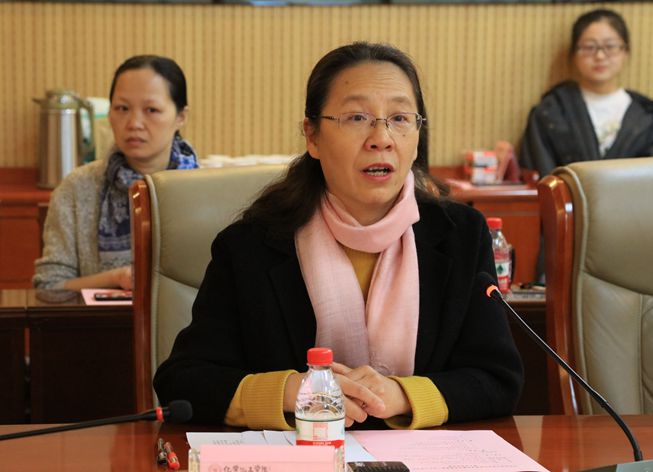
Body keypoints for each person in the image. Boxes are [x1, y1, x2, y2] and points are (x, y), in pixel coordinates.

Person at [154, 42, 523, 430]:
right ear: (312, 136)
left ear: (417, 137)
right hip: (299, 454)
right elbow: (184, 381)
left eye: (399, 118)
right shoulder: (251, 246)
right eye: (357, 117)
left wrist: (401, 395)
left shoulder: (461, 236)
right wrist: (291, 392)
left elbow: (498, 379)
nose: (381, 138)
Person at [33, 55, 198, 291]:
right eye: (122, 108)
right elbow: (48, 286)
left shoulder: (205, 190)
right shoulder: (76, 189)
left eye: (151, 110)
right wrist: (116, 278)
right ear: (109, 113)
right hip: (100, 316)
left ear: (181, 116)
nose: (134, 123)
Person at [520, 9, 653, 177]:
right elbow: (540, 176)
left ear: (626, 52)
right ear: (573, 54)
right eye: (589, 47)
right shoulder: (551, 112)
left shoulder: (650, 119)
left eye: (610, 46)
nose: (600, 56)